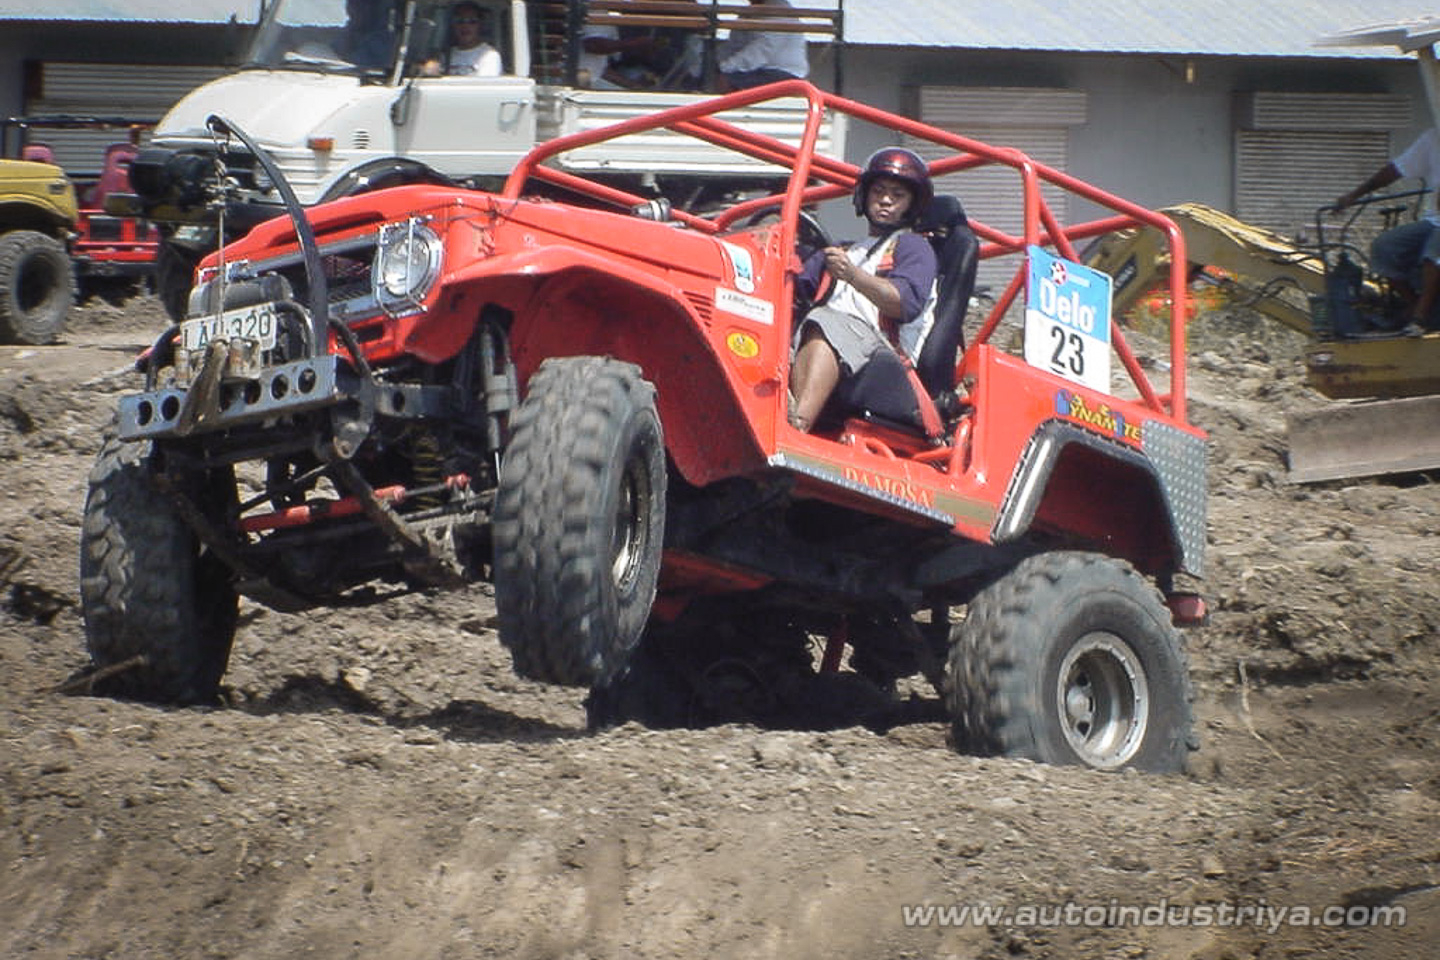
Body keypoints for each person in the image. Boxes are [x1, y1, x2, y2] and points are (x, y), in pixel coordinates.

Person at [788, 148, 938, 432]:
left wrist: (852, 276)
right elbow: (792, 284)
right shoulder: (845, 250)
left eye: (897, 195)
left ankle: (795, 427)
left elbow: (903, 303)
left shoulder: (913, 247)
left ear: (912, 204)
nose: (885, 200)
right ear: (863, 195)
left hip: (885, 350)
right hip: (840, 339)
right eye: (878, 191)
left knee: (826, 320)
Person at [1335, 127, 1440, 334]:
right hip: (1434, 221)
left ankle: (1420, 317)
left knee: (1433, 254)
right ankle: (1413, 303)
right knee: (1385, 246)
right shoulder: (1433, 138)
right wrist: (1354, 195)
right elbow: (1395, 170)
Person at [716, 0, 808, 92]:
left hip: (783, 72)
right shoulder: (749, 13)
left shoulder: (778, 12)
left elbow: (761, 51)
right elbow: (735, 45)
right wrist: (717, 62)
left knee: (727, 80)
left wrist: (725, 67)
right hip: (760, 69)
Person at [421, 1, 502, 76]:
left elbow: (484, 89)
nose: (465, 26)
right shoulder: (445, 56)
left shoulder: (490, 56)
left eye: (472, 21)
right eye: (459, 21)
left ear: (480, 25)